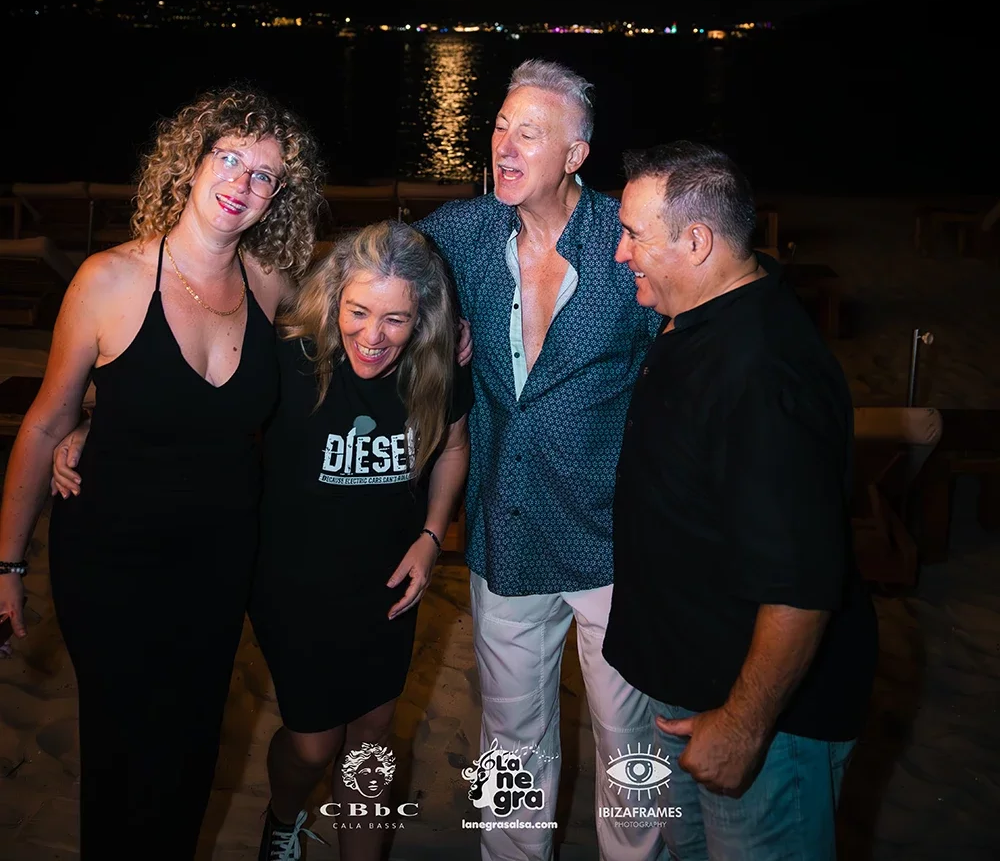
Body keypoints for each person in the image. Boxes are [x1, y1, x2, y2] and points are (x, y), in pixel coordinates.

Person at [0, 86, 324, 860]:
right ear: (192, 163)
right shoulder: (108, 280)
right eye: (230, 159)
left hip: (218, 564)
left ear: (278, 197)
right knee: (123, 755)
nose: (243, 183)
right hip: (110, 560)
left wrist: (452, 331)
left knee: (192, 749)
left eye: (265, 175)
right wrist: (7, 564)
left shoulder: (271, 285)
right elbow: (44, 423)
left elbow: (366, 322)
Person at [416, 60, 666, 861]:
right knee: (510, 738)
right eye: (500, 127)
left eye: (529, 133)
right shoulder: (462, 234)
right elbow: (370, 286)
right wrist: (436, 327)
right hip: (508, 529)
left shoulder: (626, 242)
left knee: (631, 743)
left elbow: (687, 358)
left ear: (575, 154)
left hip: (611, 539)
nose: (504, 146)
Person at [604, 141, 878, 861]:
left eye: (633, 235)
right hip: (687, 689)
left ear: (696, 242)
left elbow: (801, 582)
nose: (620, 253)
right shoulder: (703, 316)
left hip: (763, 722)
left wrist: (744, 724)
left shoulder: (764, 371)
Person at [249, 220, 471, 861]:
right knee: (314, 744)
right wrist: (92, 424)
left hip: (387, 585)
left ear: (422, 317)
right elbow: (201, 405)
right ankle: (283, 817)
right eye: (358, 312)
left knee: (372, 739)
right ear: (334, 298)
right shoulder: (291, 356)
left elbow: (454, 448)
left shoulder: (436, 366)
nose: (373, 337)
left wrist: (431, 535)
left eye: (395, 319)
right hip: (294, 584)